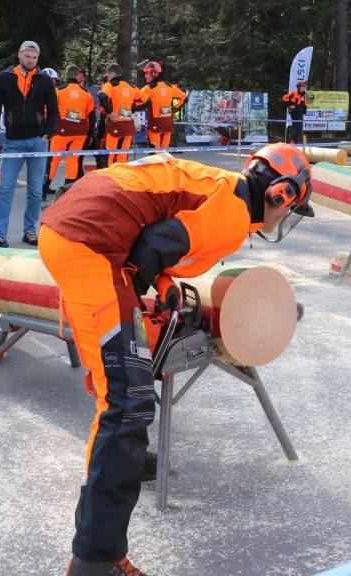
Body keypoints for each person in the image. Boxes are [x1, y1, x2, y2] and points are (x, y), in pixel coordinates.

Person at [39, 143, 314, 576]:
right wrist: (135, 303)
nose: (285, 216)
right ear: (282, 193)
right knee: (128, 403)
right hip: (92, 242)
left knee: (121, 392)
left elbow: (158, 231)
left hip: (82, 230)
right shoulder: (235, 212)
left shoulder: (223, 188)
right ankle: (96, 560)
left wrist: (161, 281)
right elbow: (151, 245)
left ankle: (100, 542)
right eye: (290, 208)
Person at [0, 40, 59, 247]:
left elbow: (54, 111)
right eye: (27, 56)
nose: (31, 60)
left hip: (38, 142)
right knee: (5, 188)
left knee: (35, 190)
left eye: (34, 58)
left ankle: (30, 231)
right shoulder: (4, 77)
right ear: (19, 55)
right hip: (13, 142)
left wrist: (47, 135)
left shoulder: (44, 80)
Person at [44, 64, 96, 201]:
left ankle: (43, 190)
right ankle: (67, 192)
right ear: (77, 76)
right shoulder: (86, 93)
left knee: (54, 160)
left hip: (61, 131)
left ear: (66, 75)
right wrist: (91, 134)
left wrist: (47, 130)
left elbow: (48, 111)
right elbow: (91, 116)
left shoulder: (58, 91)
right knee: (73, 160)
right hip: (80, 132)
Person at [98, 64, 146, 165]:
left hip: (115, 126)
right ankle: (121, 175)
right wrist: (133, 109)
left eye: (107, 74)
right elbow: (148, 101)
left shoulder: (110, 85)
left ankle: (110, 175)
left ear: (112, 73)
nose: (107, 77)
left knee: (109, 156)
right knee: (123, 157)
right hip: (128, 127)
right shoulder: (132, 87)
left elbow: (102, 96)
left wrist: (110, 113)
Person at [138, 61, 186, 151]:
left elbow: (136, 99)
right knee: (164, 153)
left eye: (146, 73)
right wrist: (174, 109)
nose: (145, 75)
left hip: (155, 125)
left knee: (155, 154)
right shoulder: (169, 86)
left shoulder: (149, 88)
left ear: (153, 73)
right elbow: (184, 98)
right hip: (167, 124)